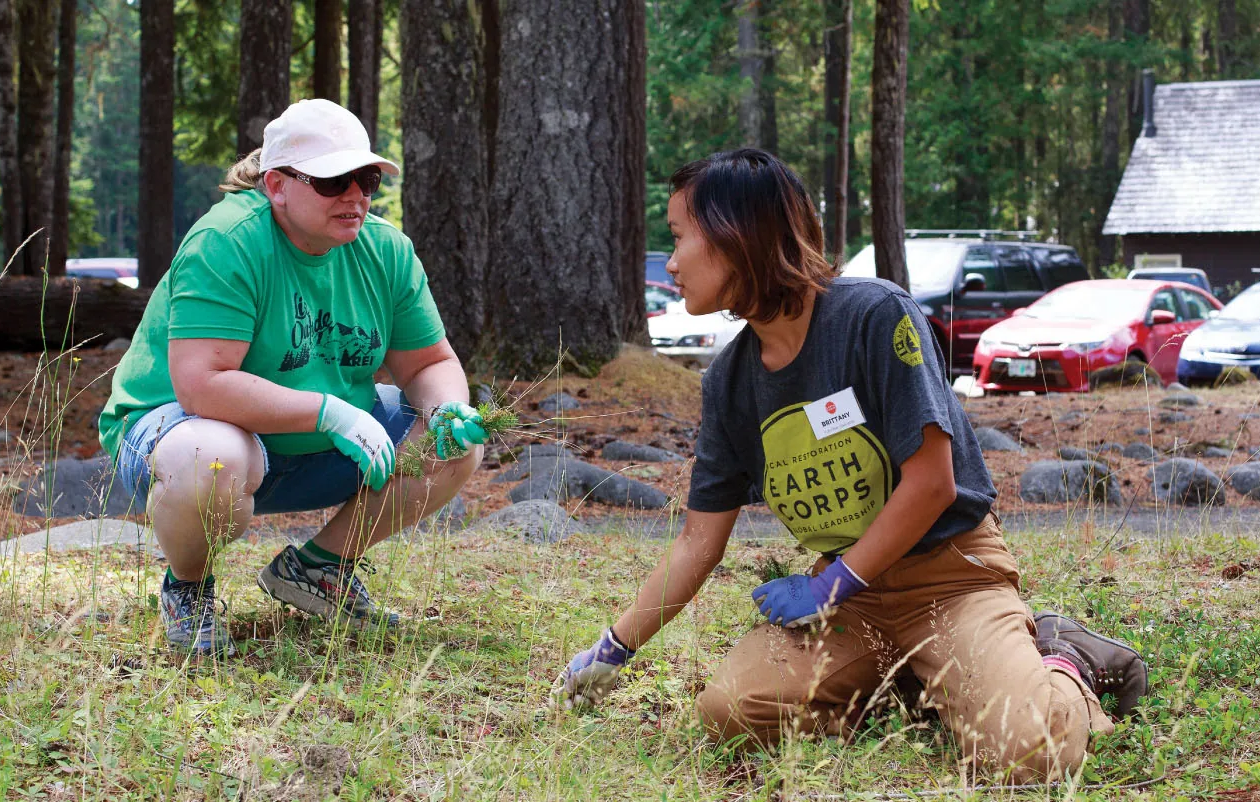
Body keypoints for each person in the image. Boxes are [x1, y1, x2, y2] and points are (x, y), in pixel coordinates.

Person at [553, 149, 1149, 782]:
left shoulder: (874, 316)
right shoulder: (729, 382)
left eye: (678, 237)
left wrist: (828, 586)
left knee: (1026, 753)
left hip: (949, 578)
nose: (670, 263)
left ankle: (1064, 662)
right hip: (849, 607)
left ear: (737, 235)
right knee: (731, 713)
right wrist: (616, 646)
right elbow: (699, 540)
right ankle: (919, 683)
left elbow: (931, 483)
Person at [98, 99, 488, 657]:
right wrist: (329, 412)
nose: (355, 195)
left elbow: (427, 364)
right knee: (212, 456)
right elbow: (202, 385)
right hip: (183, 430)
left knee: (450, 444)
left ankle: (319, 570)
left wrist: (447, 408)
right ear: (277, 185)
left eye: (367, 177)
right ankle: (187, 588)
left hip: (316, 439)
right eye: (335, 180)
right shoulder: (227, 242)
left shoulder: (387, 250)